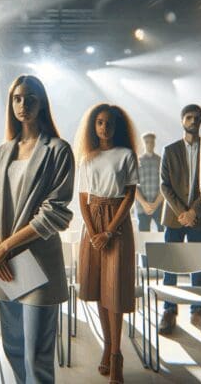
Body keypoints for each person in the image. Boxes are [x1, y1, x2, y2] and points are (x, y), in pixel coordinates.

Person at [0, 75, 74, 384]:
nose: (24, 105)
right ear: (11, 103)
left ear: (42, 103)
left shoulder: (58, 150)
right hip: (5, 264)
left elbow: (55, 211)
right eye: (18, 98)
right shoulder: (1, 151)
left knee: (37, 355)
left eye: (31, 98)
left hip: (38, 261)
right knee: (13, 348)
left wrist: (5, 248)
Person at [75, 103, 138, 384]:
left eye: (109, 122)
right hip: (92, 224)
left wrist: (109, 232)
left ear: (117, 125)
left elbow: (129, 196)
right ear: (94, 127)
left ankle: (116, 356)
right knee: (99, 288)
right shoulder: (87, 158)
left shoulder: (126, 155)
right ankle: (107, 346)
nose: (104, 127)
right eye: (99, 122)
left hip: (117, 225)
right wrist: (92, 231)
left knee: (116, 291)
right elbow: (83, 198)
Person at [157, 105, 201, 337]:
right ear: (182, 120)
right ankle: (169, 310)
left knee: (197, 266)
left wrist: (194, 212)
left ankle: (197, 311)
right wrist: (182, 212)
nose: (193, 121)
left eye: (197, 118)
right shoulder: (170, 150)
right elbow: (164, 184)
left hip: (199, 218)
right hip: (174, 217)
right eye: (189, 117)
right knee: (170, 264)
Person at [135, 132, 164, 233]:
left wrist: (155, 204)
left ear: (154, 143)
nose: (149, 144)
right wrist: (144, 203)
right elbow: (133, 186)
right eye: (147, 142)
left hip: (159, 206)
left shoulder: (161, 161)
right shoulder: (137, 162)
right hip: (142, 207)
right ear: (144, 143)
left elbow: (164, 185)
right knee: (143, 236)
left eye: (151, 142)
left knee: (162, 235)